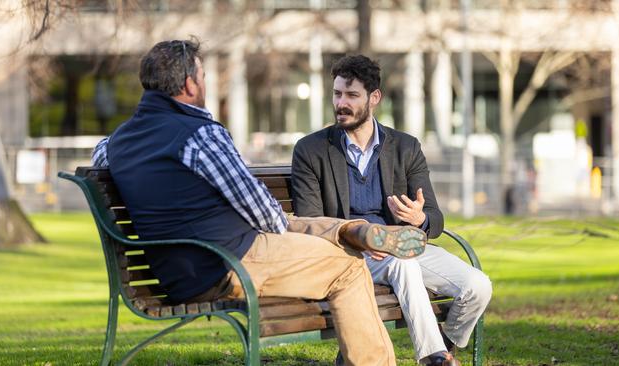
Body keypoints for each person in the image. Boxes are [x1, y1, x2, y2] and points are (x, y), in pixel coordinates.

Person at [90, 39, 431, 366]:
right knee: (348, 265)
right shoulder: (200, 134)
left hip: (179, 272)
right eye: (204, 76)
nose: (205, 84)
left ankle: (354, 229)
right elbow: (264, 214)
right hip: (230, 263)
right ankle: (354, 238)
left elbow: (100, 156)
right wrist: (283, 230)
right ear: (190, 85)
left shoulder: (119, 141)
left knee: (301, 226)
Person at [291, 55, 492, 366]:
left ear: (374, 98)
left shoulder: (404, 147)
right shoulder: (312, 150)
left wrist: (419, 218)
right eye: (337, 94)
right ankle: (433, 357)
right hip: (348, 253)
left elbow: (435, 219)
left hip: (402, 247)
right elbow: (311, 222)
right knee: (403, 263)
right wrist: (364, 237)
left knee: (478, 286)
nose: (341, 103)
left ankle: (444, 343)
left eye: (352, 95)